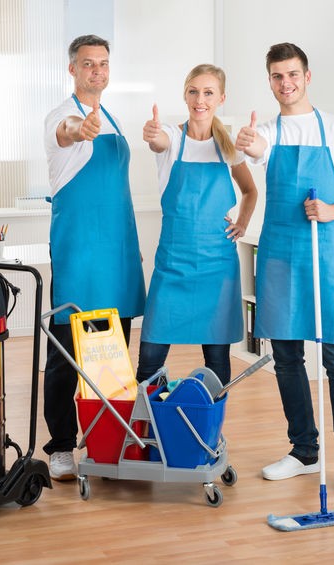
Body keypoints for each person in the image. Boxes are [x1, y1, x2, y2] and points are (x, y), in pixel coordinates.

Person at [235, 43, 334, 502]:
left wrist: (333, 209)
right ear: (270, 80)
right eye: (277, 76)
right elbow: (258, 153)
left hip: (325, 253)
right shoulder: (269, 132)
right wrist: (253, 146)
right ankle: (304, 451)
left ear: (308, 76)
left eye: (292, 74)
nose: (285, 83)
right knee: (288, 358)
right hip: (278, 253)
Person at [43, 35, 146, 480]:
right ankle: (61, 446)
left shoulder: (117, 121)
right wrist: (79, 129)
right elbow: (68, 132)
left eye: (103, 64)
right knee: (67, 357)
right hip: (80, 254)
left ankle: (108, 442)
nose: (97, 72)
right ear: (73, 69)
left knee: (113, 360)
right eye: (88, 64)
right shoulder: (61, 117)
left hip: (118, 252)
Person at [135, 64, 257, 386]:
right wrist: (152, 134)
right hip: (173, 265)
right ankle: (148, 432)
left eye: (208, 92)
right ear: (185, 95)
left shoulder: (229, 146)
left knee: (216, 359)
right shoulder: (173, 138)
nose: (199, 99)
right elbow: (158, 141)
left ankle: (207, 430)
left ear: (221, 98)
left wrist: (242, 222)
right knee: (150, 358)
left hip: (218, 267)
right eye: (193, 91)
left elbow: (250, 190)